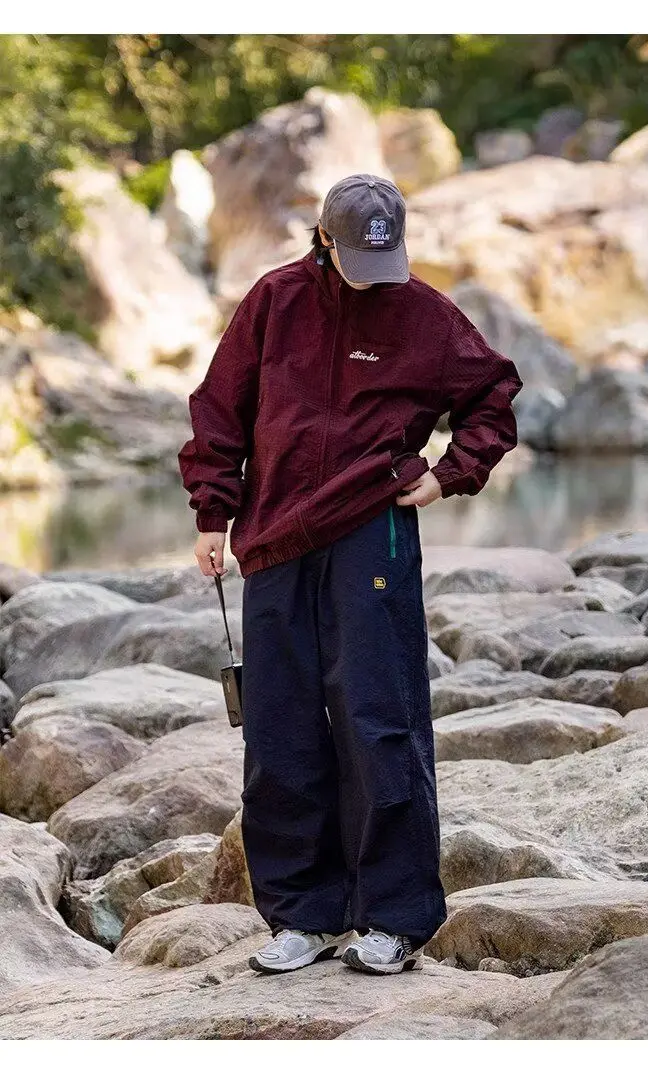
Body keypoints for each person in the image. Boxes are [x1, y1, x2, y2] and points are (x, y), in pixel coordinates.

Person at [178, 173, 522, 976]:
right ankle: (304, 915)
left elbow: (493, 398)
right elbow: (220, 406)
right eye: (359, 259)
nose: (377, 277)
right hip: (273, 539)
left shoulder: (425, 313)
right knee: (278, 729)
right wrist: (212, 513)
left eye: (387, 259)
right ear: (325, 239)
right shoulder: (274, 302)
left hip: (374, 533)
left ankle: (393, 919)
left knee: (379, 720)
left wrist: (447, 474)